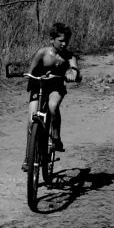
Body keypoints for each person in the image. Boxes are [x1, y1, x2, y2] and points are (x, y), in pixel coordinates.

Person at [22, 22, 81, 161]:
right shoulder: (43, 53)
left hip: (56, 86)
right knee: (31, 120)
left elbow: (75, 70)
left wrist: (74, 74)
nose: (64, 44)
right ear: (51, 40)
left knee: (53, 106)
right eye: (60, 41)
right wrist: (27, 76)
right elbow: (31, 70)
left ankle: (56, 136)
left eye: (66, 41)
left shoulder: (69, 56)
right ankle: (28, 157)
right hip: (39, 85)